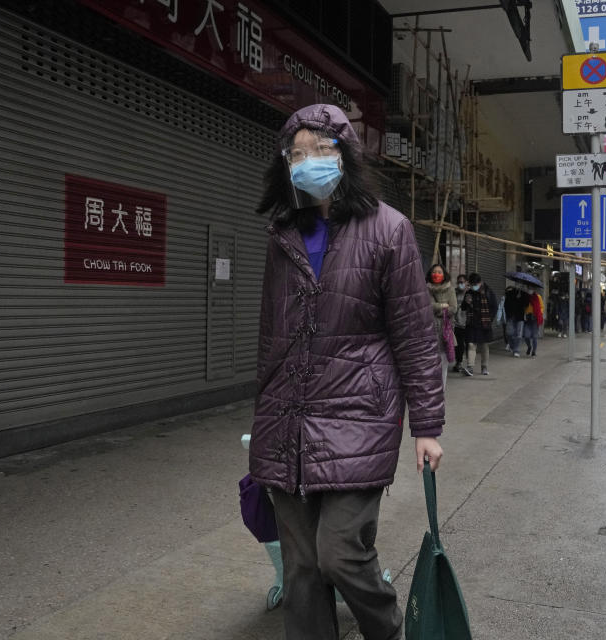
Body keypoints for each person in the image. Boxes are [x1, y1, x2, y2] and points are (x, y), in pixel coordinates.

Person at [250, 104, 444, 640]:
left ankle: (388, 630)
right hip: (287, 421)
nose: (308, 161)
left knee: (339, 554)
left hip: (360, 415)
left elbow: (414, 335)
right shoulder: (281, 233)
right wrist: (263, 416)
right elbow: (271, 335)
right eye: (297, 153)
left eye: (321, 149)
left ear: (347, 156)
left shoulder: (389, 229)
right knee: (302, 570)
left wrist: (427, 426)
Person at [427, 264, 457, 387]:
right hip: (429, 329)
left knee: (443, 365)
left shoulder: (450, 289)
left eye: (439, 272)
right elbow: (427, 306)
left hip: (445, 331)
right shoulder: (425, 288)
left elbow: (454, 308)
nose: (437, 274)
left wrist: (437, 307)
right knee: (429, 364)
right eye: (434, 272)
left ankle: (441, 391)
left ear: (444, 274)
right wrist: (443, 306)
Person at [461, 273, 497, 375]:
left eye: (475, 284)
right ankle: (470, 367)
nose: (473, 287)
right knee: (471, 344)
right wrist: (466, 302)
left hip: (485, 323)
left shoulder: (488, 292)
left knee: (484, 345)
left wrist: (490, 319)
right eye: (471, 284)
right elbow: (463, 308)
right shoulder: (469, 293)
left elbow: (494, 307)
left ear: (480, 282)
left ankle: (484, 367)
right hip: (472, 323)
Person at [504, 284, 527, 357]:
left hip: (519, 316)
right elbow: (506, 304)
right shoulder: (510, 292)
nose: (520, 285)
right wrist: (515, 297)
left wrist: (523, 297)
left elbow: (526, 304)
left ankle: (516, 350)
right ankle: (512, 345)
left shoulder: (524, 294)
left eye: (521, 284)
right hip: (510, 316)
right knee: (509, 332)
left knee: (518, 334)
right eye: (518, 284)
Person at [453, 274, 468, 372]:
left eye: (462, 282)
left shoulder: (470, 293)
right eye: (458, 282)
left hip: (467, 323)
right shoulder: (454, 293)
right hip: (456, 323)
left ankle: (467, 364)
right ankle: (458, 362)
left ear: (467, 283)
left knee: (467, 344)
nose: (460, 284)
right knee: (458, 345)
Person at [523, 287, 544, 357]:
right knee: (526, 336)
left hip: (535, 318)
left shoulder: (538, 297)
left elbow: (541, 307)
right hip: (527, 318)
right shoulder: (525, 297)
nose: (529, 290)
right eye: (528, 289)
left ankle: (534, 351)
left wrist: (539, 313)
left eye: (531, 289)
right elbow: (523, 307)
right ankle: (529, 346)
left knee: (534, 336)